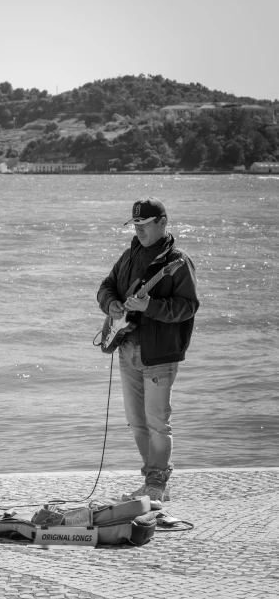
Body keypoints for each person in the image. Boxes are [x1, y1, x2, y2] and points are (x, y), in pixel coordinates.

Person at [97, 197, 199, 508]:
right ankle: (152, 482)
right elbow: (106, 286)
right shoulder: (129, 255)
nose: (139, 231)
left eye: (144, 225)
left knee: (158, 422)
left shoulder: (179, 261)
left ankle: (157, 483)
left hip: (159, 355)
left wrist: (150, 306)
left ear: (163, 223)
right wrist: (110, 304)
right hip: (127, 348)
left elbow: (188, 307)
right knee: (136, 421)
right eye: (135, 225)